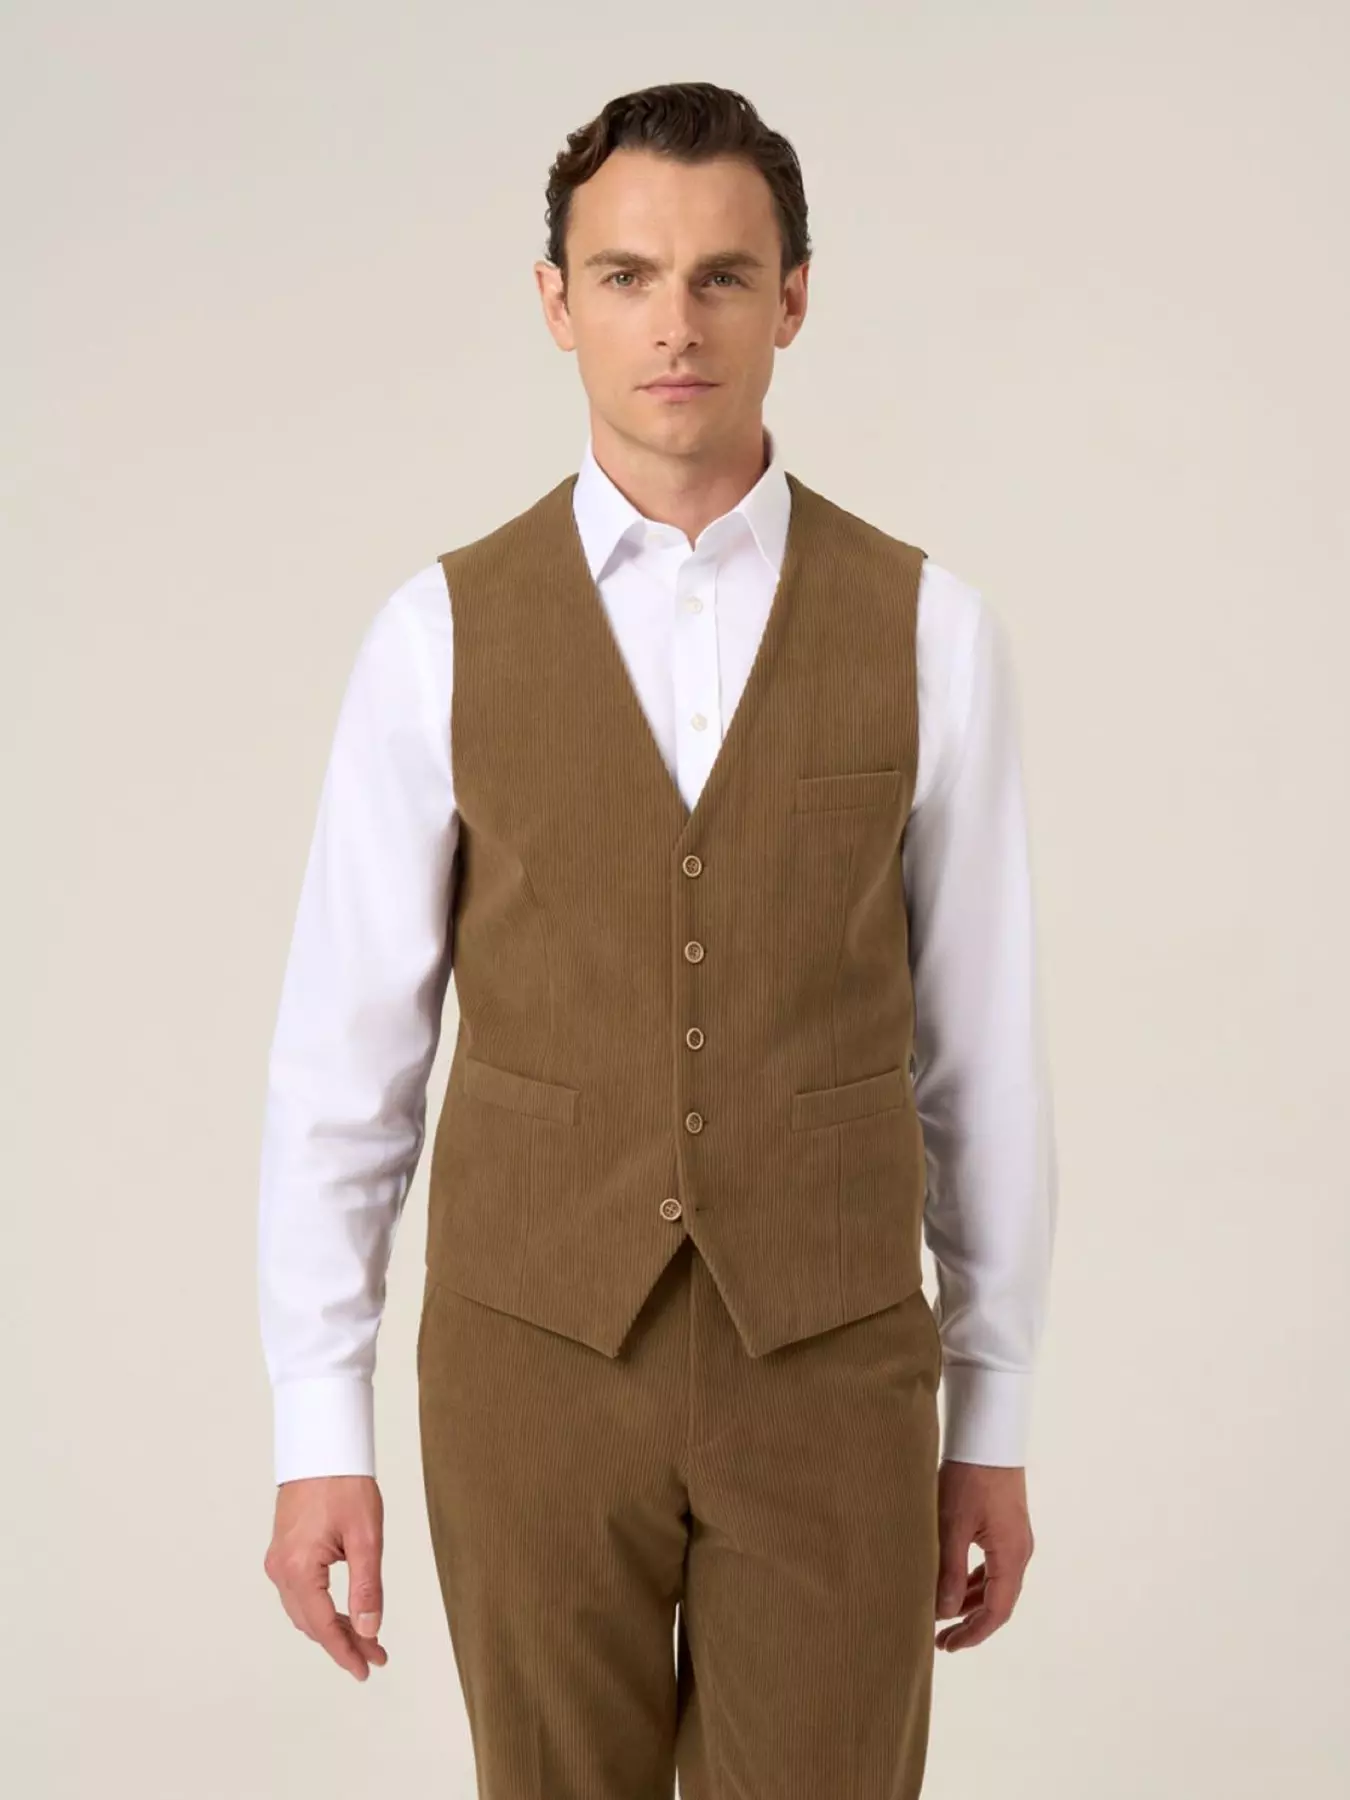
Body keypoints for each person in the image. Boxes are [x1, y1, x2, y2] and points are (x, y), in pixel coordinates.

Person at [259, 78, 1057, 1799]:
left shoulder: (930, 630)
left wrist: (989, 1414)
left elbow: (980, 1059)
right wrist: (318, 1427)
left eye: (719, 276)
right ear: (557, 303)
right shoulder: (436, 635)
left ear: (792, 298)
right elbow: (347, 1063)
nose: (673, 324)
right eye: (625, 276)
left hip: (832, 1374)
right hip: (532, 1364)